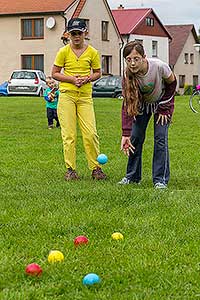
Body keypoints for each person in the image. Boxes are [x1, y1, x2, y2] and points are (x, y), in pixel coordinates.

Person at [51, 18, 106, 181]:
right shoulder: (63, 52)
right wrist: (71, 79)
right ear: (68, 35)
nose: (76, 37)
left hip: (85, 97)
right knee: (69, 135)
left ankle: (96, 168)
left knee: (90, 133)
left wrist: (87, 78)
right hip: (67, 95)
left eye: (79, 33)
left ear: (85, 33)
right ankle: (71, 169)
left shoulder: (92, 52)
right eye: (73, 34)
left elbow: (98, 72)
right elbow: (55, 73)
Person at [118, 41, 177, 189]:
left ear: (144, 57)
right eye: (128, 60)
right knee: (135, 138)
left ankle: (160, 180)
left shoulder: (158, 66)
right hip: (142, 105)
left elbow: (172, 84)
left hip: (162, 104)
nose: (132, 63)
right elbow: (128, 103)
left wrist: (164, 108)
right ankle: (132, 177)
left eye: (136, 58)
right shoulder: (128, 75)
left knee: (160, 138)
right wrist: (126, 133)